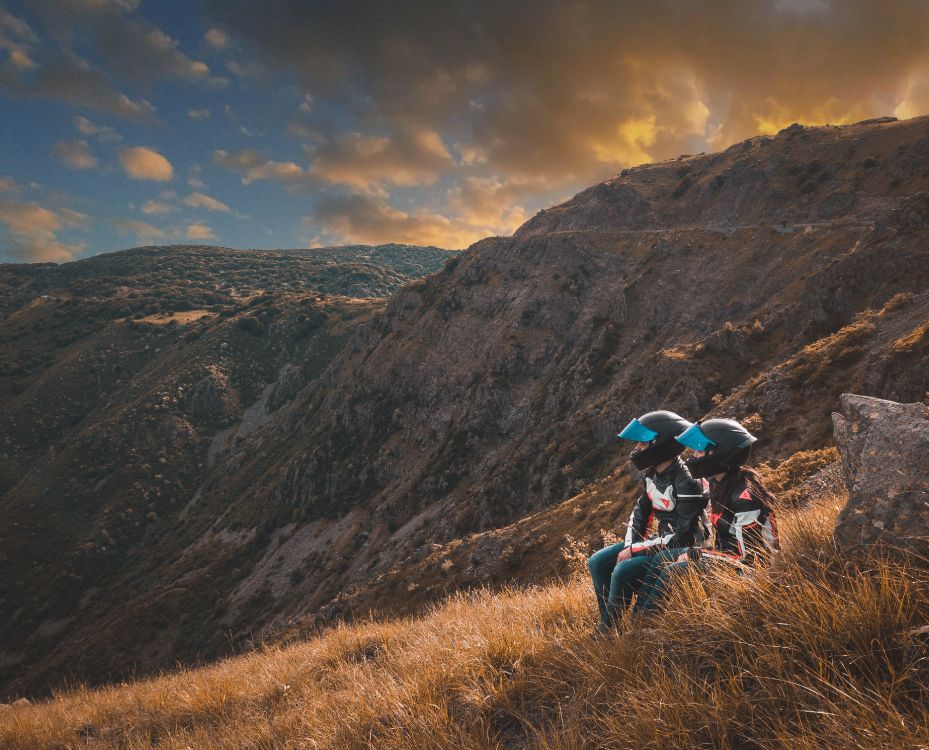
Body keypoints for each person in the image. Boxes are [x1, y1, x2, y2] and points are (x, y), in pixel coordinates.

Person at [632, 417, 780, 613]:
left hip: (754, 572)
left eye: (699, 450)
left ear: (720, 454)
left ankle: (646, 621)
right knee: (664, 559)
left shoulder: (745, 496)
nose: (693, 455)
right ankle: (639, 619)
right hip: (730, 560)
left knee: (674, 569)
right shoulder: (720, 484)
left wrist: (698, 553)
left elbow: (749, 557)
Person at [587, 410, 709, 631]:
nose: (637, 449)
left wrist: (635, 551)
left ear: (661, 444)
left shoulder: (687, 482)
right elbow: (640, 513)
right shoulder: (653, 474)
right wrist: (629, 545)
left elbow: (684, 535)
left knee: (624, 570)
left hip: (681, 547)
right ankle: (610, 622)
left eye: (642, 444)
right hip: (660, 542)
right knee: (597, 561)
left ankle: (608, 630)